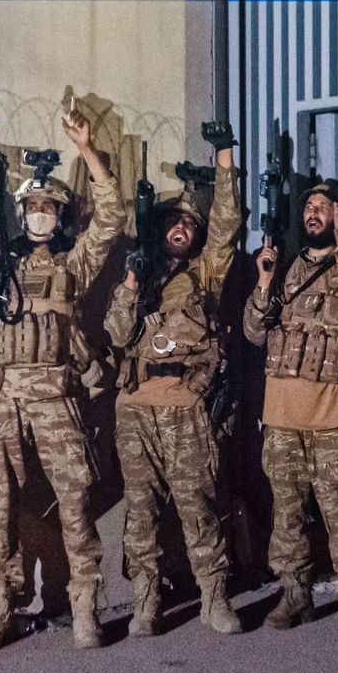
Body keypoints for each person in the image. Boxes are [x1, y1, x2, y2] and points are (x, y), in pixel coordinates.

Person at [0, 98, 123, 651]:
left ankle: (84, 606)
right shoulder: (1, 263)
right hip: (7, 397)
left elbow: (111, 220)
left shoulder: (71, 263)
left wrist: (89, 152)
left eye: (47, 207)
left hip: (56, 395)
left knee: (74, 499)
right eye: (30, 206)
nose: (38, 214)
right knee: (0, 504)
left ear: (59, 216)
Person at [105, 128, 243, 636]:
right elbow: (117, 334)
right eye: (173, 221)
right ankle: (146, 602)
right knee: (140, 511)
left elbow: (225, 226)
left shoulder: (205, 274)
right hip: (136, 409)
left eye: (189, 223)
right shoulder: (137, 277)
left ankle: (214, 597)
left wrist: (224, 161)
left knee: (197, 504)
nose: (182, 228)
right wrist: (132, 281)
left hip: (186, 406)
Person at [243, 181, 338, 637]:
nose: (314, 214)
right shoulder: (283, 268)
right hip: (281, 417)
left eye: (323, 207)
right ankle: (295, 593)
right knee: (287, 513)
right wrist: (264, 281)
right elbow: (254, 332)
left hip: (332, 417)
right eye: (309, 208)